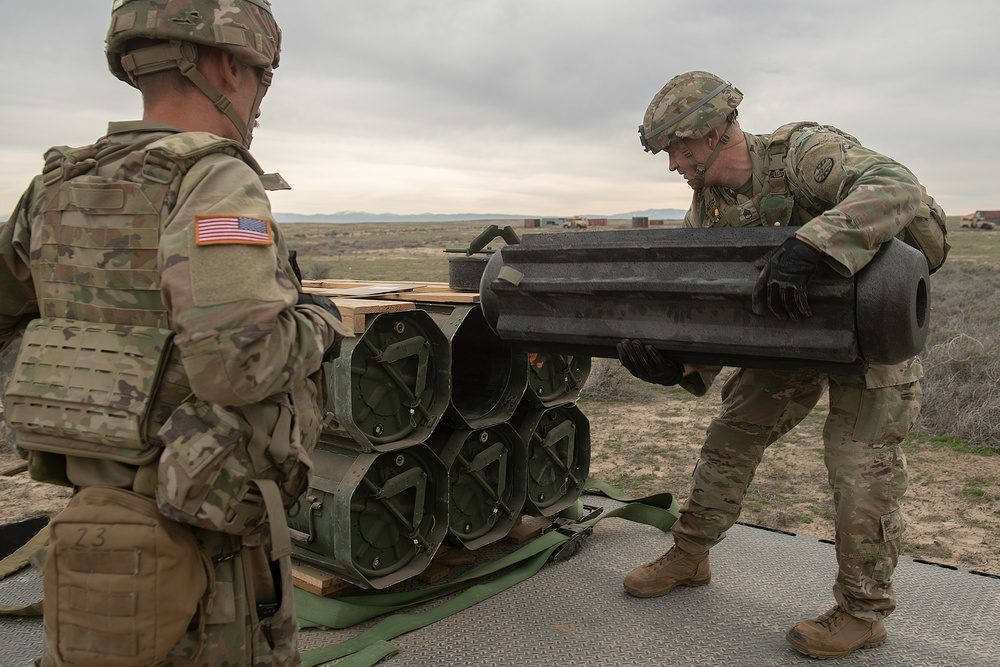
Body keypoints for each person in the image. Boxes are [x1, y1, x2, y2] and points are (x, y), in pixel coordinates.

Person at [0, 1, 350, 665]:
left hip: (94, 541)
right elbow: (236, 364)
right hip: (208, 563)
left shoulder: (56, 186)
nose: (259, 101)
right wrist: (319, 326)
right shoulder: (215, 179)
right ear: (225, 63)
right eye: (261, 77)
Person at [619, 70, 945, 659]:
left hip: (872, 331)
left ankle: (862, 612)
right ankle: (689, 555)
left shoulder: (803, 153)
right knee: (730, 436)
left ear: (716, 132)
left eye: (678, 148)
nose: (673, 164)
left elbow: (899, 186)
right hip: (791, 336)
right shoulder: (711, 211)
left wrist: (811, 245)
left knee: (859, 471)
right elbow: (711, 312)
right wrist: (674, 367)